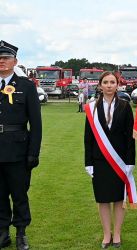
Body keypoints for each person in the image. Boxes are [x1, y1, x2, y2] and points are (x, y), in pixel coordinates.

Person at [84, 71, 136, 249]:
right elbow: (88, 137)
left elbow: (130, 136)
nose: (108, 85)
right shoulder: (91, 108)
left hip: (120, 160)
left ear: (117, 85)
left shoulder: (125, 106)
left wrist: (130, 161)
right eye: (105, 82)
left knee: (119, 199)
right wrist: (88, 162)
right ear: (100, 85)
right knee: (103, 199)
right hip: (99, 161)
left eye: (112, 82)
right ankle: (107, 234)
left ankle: (117, 234)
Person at [0, 40, 42, 250]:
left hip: (18, 151)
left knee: (19, 194)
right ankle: (3, 232)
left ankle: (21, 234)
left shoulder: (26, 86)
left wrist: (33, 152)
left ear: (15, 61)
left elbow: (36, 123)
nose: (2, 61)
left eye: (6, 58)